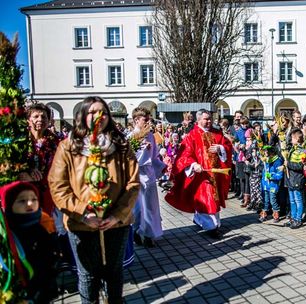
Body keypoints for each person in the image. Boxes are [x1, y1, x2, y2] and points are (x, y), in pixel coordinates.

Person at [48, 96, 140, 303]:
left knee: (114, 273)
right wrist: (83, 213)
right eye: (92, 112)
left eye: (103, 112)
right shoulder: (68, 147)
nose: (99, 116)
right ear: (82, 116)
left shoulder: (122, 146)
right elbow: (58, 185)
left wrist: (117, 215)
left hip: (116, 224)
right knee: (88, 276)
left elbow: (133, 184)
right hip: (82, 223)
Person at [165, 109, 232, 239]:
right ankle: (211, 227)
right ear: (198, 120)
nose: (209, 121)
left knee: (214, 200)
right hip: (202, 175)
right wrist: (193, 165)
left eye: (210, 119)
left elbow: (227, 146)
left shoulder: (217, 133)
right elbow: (184, 155)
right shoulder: (192, 135)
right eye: (206, 119)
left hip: (216, 173)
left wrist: (220, 148)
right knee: (207, 199)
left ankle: (205, 221)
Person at [0, 181, 58, 302]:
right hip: (16, 294)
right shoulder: (6, 236)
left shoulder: (44, 226)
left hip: (42, 292)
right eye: (22, 201)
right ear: (9, 205)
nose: (30, 203)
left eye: (34, 199)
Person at [130, 107, 166, 248]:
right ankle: (136, 232)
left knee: (150, 207)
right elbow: (128, 159)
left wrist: (161, 167)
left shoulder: (150, 136)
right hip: (136, 176)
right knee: (138, 209)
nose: (147, 123)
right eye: (145, 120)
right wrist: (139, 149)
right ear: (136, 120)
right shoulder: (131, 137)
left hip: (149, 176)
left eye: (149, 120)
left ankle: (149, 235)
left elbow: (154, 156)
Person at [285, 128, 306, 229]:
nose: (291, 140)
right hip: (290, 179)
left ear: (297, 139)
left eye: (292, 138)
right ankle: (293, 218)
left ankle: (298, 219)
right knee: (292, 200)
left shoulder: (302, 151)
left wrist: (288, 164)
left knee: (298, 200)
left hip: (297, 179)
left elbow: (300, 166)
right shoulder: (292, 149)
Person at [260, 146, 284, 222]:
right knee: (265, 200)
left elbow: (280, 175)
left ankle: (276, 214)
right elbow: (264, 172)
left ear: (272, 152)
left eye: (267, 152)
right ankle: (264, 213)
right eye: (265, 151)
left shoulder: (278, 161)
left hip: (273, 184)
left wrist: (271, 176)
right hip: (265, 184)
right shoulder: (266, 160)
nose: (265, 153)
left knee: (272, 200)